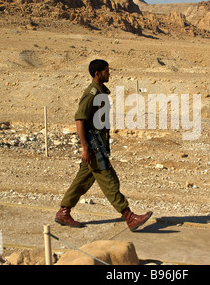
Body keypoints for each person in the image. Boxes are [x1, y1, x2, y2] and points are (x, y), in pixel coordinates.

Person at [55, 59, 153, 232]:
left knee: (82, 181)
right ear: (97, 73)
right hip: (93, 147)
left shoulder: (100, 92)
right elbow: (79, 119)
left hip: (99, 145)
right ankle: (129, 217)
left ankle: (64, 212)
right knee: (109, 180)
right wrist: (85, 148)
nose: (109, 73)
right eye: (106, 71)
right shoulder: (91, 93)